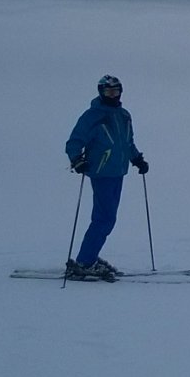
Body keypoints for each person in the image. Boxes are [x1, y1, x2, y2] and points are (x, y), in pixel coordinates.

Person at [64, 74, 149, 282]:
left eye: (116, 91)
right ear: (100, 92)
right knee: (104, 219)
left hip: (118, 172)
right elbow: (74, 141)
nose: (112, 94)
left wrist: (137, 159)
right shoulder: (92, 116)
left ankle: (89, 258)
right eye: (108, 91)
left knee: (107, 219)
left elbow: (127, 143)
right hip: (101, 172)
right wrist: (77, 160)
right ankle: (84, 262)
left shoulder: (124, 115)